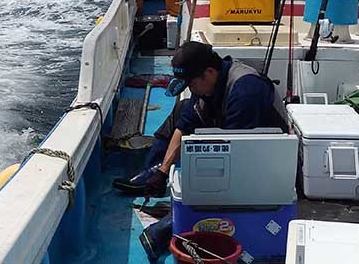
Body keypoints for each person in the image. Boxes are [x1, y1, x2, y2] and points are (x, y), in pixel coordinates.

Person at [112, 41, 287, 197]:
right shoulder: (207, 84)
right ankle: (152, 174)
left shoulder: (246, 90)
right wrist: (163, 171)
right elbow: (185, 123)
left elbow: (234, 152)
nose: (192, 90)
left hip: (264, 156)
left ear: (209, 72)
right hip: (232, 134)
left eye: (192, 84)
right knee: (182, 109)